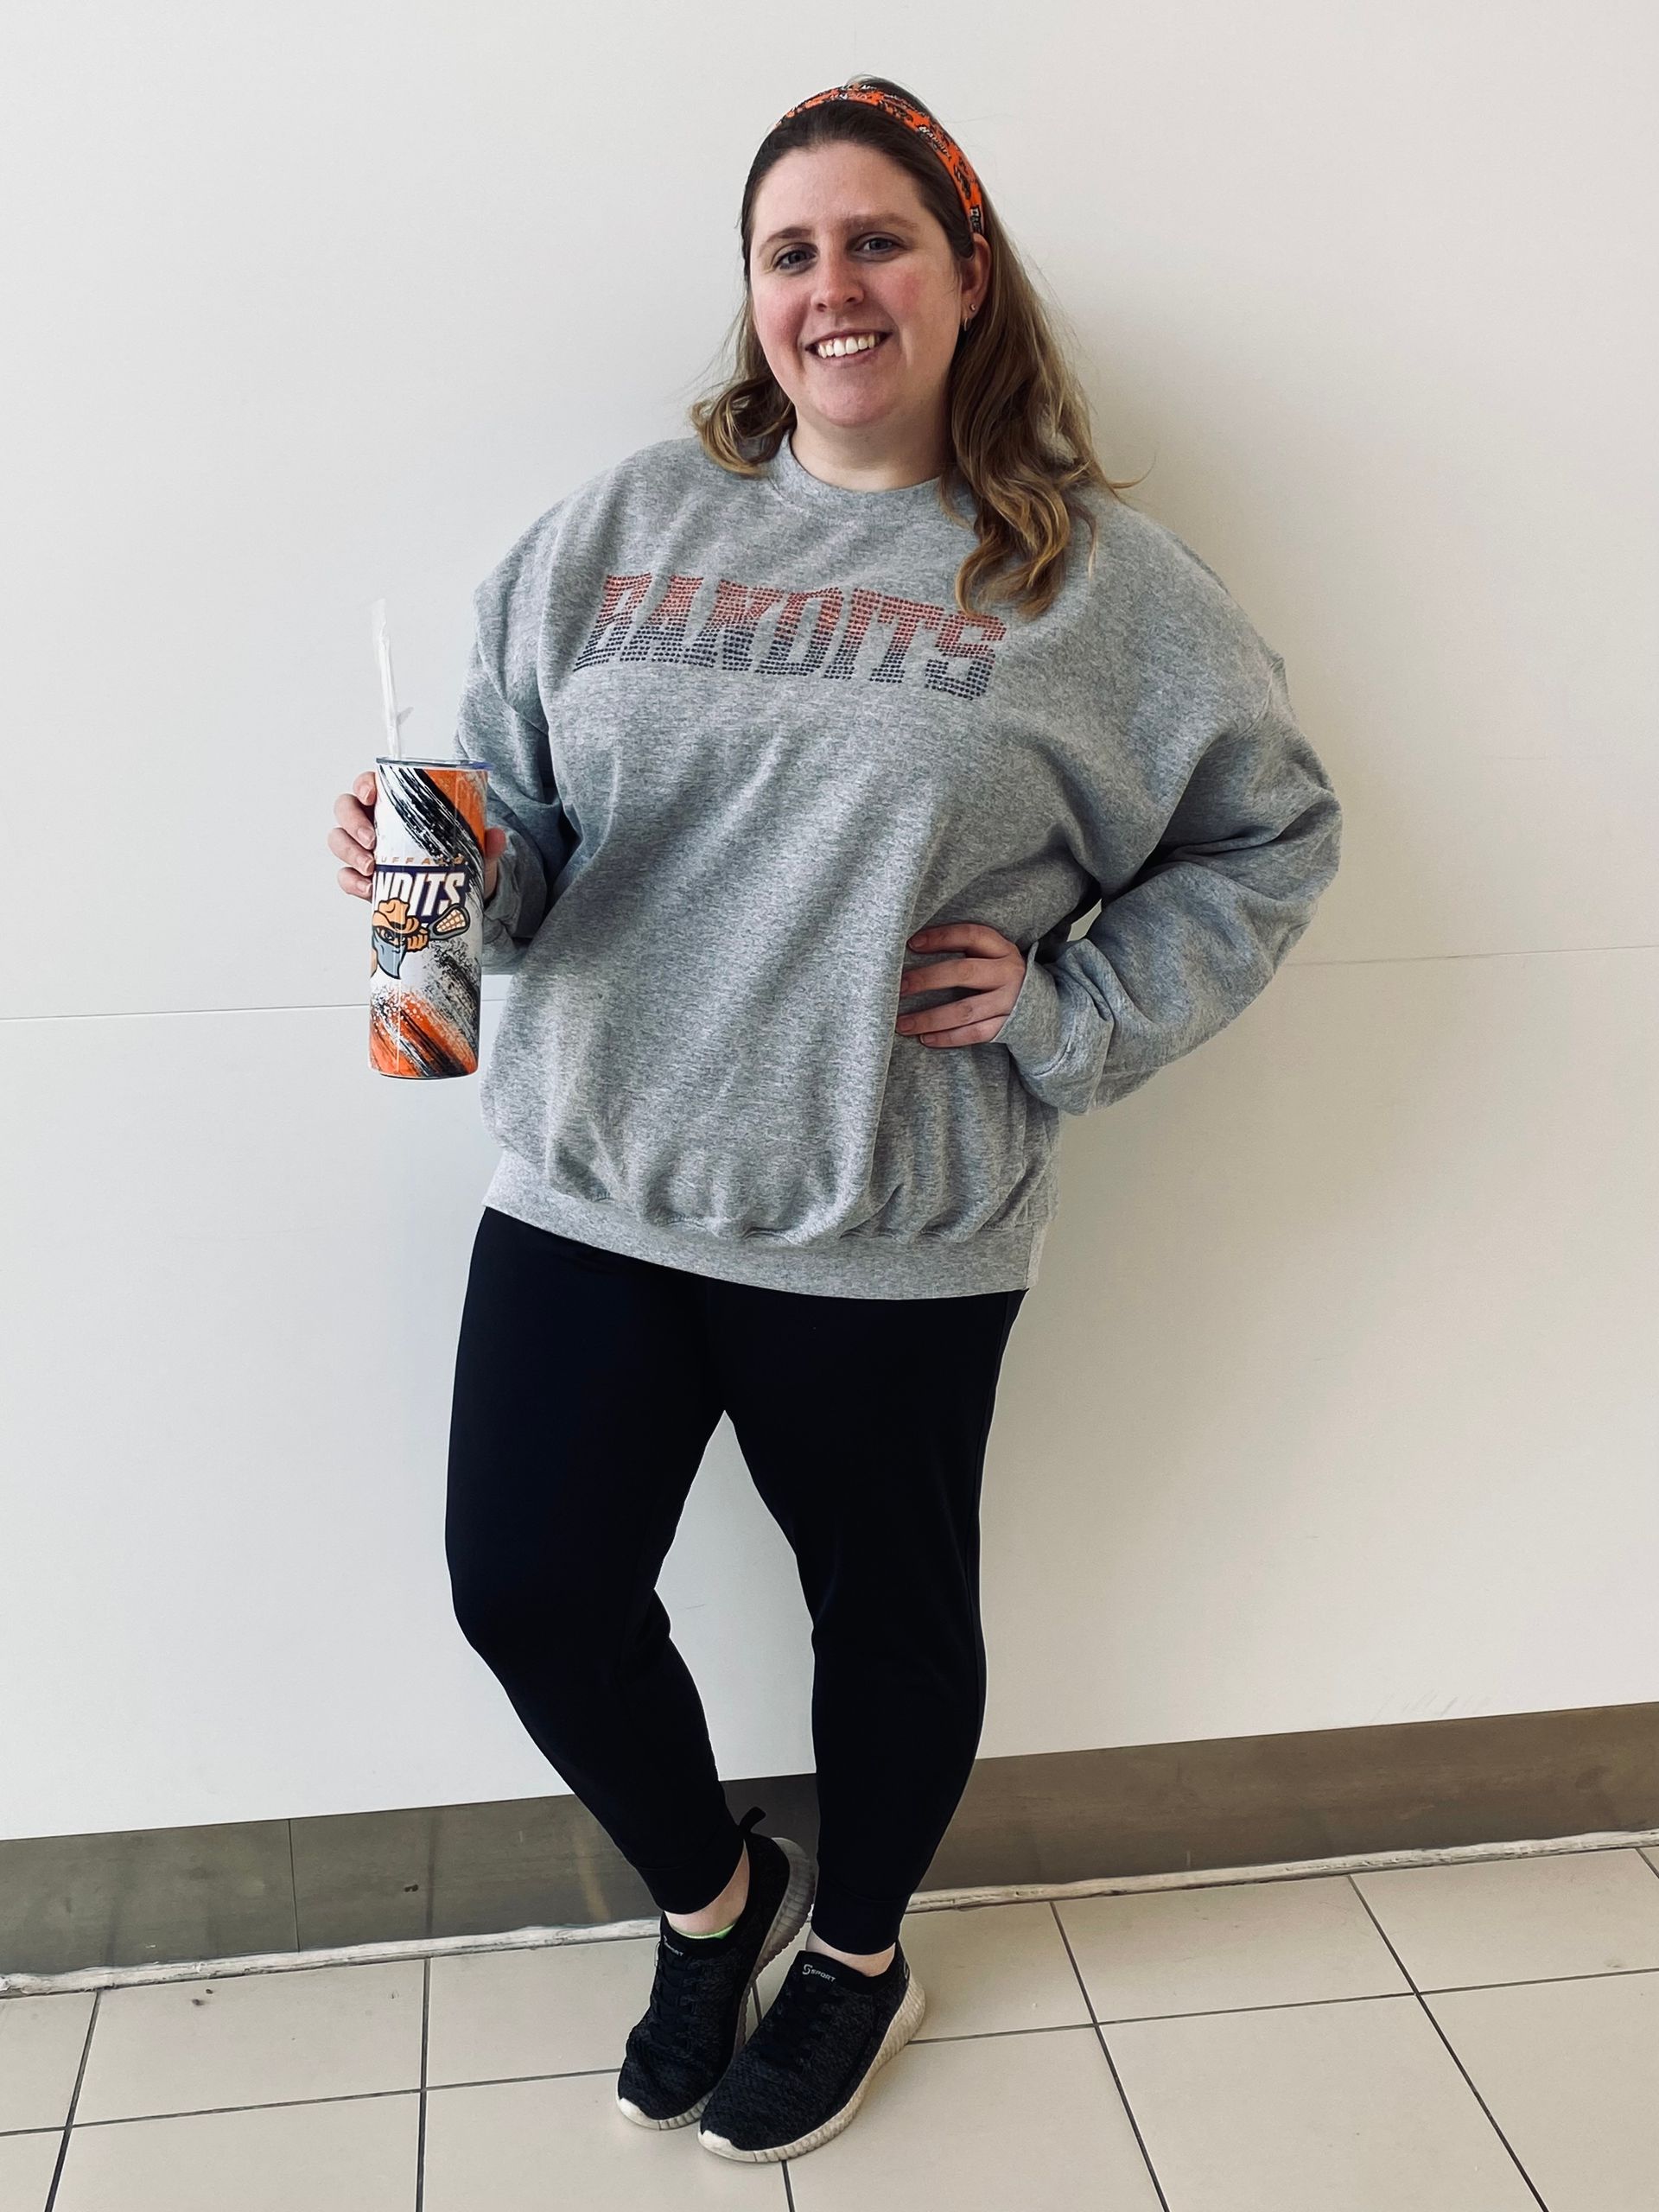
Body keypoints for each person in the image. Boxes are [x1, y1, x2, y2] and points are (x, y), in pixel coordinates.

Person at [325, 73, 1342, 2165]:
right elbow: (522, 861)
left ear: (968, 276)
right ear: (755, 300)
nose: (831, 287)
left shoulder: (1103, 588)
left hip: (887, 1214)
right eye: (789, 252)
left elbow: (1274, 833)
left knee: (885, 1618)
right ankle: (719, 1897)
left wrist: (1077, 1005)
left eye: (877, 240)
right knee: (526, 1583)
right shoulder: (614, 531)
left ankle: (859, 1947)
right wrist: (432, 862)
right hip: (597, 1183)